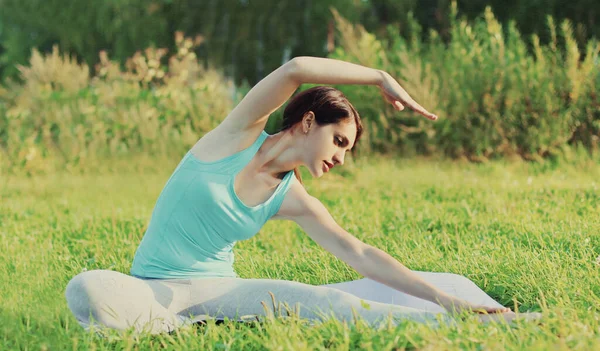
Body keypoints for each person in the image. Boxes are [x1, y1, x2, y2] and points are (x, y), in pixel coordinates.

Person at [65, 56, 540, 335]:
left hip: (219, 291)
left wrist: (440, 297)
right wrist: (378, 77)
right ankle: (173, 325)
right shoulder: (234, 136)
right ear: (309, 121)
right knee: (86, 288)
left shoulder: (292, 198)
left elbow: (360, 253)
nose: (341, 157)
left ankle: (486, 325)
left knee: (325, 303)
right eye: (339, 141)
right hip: (151, 284)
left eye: (348, 151)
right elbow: (296, 69)